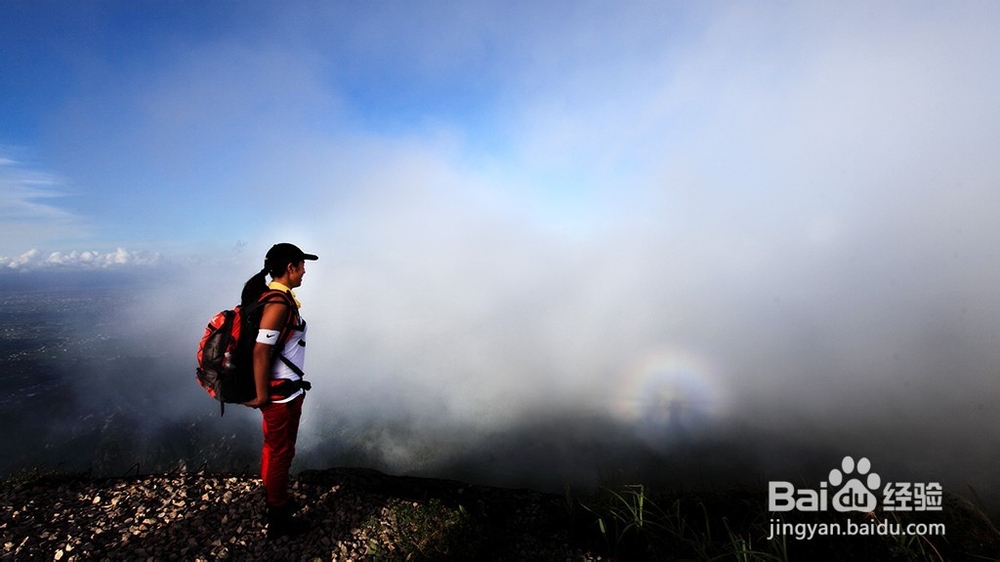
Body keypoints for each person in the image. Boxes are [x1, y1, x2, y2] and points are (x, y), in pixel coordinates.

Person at [240, 242, 318, 538]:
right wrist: (261, 396)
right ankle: (278, 517)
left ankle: (279, 498)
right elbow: (261, 351)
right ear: (290, 268)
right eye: (301, 266)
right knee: (278, 450)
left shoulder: (282, 299)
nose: (304, 271)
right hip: (278, 395)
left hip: (288, 391)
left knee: (281, 450)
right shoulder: (278, 304)